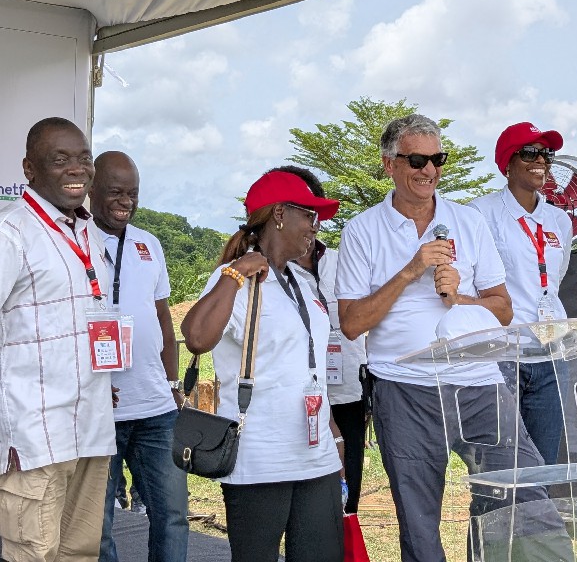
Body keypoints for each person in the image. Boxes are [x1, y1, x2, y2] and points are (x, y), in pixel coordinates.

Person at [335, 114, 568, 562]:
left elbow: (503, 308)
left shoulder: (468, 221)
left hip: (480, 382)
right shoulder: (362, 230)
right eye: (417, 159)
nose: (429, 170)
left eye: (436, 159)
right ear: (389, 164)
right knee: (420, 523)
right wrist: (410, 270)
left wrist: (459, 297)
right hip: (405, 388)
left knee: (526, 493)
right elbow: (351, 323)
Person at [0, 117, 115, 561]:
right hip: (34, 436)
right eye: (60, 160)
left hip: (90, 428)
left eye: (83, 158)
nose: (77, 169)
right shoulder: (7, 233)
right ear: (29, 169)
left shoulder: (88, 231)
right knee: (34, 555)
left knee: (79, 554)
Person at [181, 168, 345, 562]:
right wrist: (235, 274)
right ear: (279, 215)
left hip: (315, 453)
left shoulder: (302, 283)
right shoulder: (234, 279)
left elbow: (310, 371)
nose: (315, 225)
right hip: (260, 458)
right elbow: (197, 338)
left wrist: (334, 435)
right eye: (309, 214)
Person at [91, 151, 189, 562]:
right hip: (99, 410)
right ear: (92, 190)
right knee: (97, 526)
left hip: (155, 408)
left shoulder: (149, 244)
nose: (125, 202)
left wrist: (171, 383)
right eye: (116, 192)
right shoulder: (74, 241)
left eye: (132, 193)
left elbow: (163, 317)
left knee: (172, 515)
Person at [468, 122, 573, 465]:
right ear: (507, 163)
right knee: (501, 461)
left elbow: (555, 278)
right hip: (503, 352)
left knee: (543, 462)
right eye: (529, 152)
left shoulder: (559, 221)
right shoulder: (480, 213)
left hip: (550, 352)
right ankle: (493, 520)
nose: (540, 160)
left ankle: (535, 519)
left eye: (545, 153)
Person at [285, 165, 370, 515]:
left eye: (314, 211)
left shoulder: (341, 261)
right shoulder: (269, 271)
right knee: (301, 494)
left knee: (346, 492)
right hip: (296, 398)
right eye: (302, 211)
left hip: (348, 392)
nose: (311, 219)